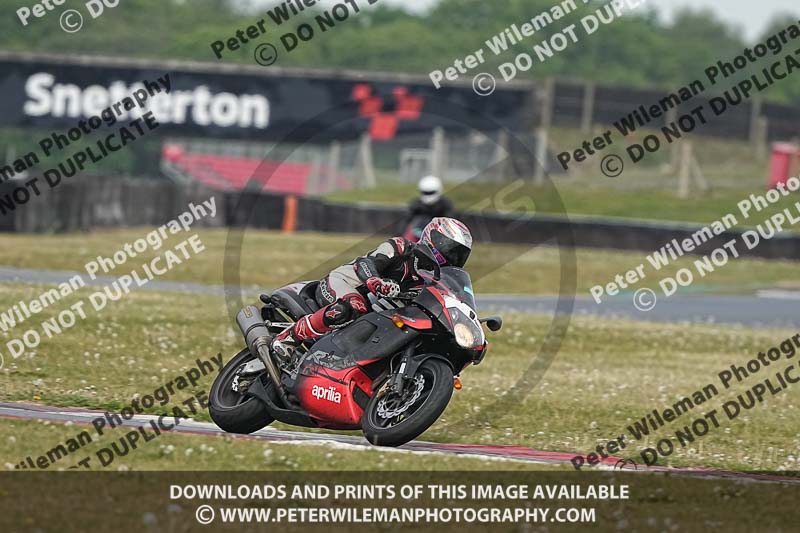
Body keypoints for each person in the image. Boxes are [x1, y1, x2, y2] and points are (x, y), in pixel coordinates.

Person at [271, 217, 473, 359]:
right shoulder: (401, 247)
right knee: (354, 306)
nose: (451, 257)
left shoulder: (432, 281)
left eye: (458, 254)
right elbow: (366, 263)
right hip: (348, 283)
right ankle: (289, 338)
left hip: (373, 312)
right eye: (448, 248)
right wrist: (375, 281)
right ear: (431, 237)